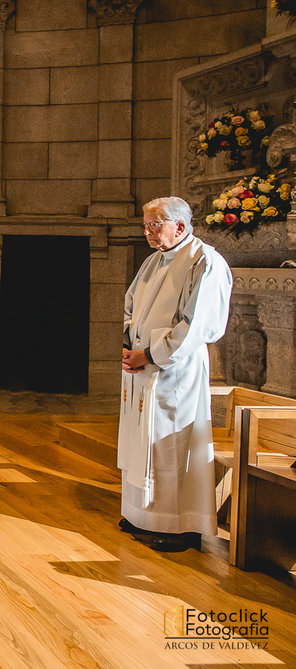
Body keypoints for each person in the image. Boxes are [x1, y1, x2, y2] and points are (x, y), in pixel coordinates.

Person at [119, 196, 232, 551]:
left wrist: (150, 355)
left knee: (171, 445)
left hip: (175, 370)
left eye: (155, 225)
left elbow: (200, 324)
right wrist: (129, 342)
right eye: (146, 225)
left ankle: (178, 526)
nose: (148, 232)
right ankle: (141, 514)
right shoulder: (154, 261)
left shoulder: (205, 261)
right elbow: (130, 304)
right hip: (141, 365)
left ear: (180, 226)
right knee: (142, 441)